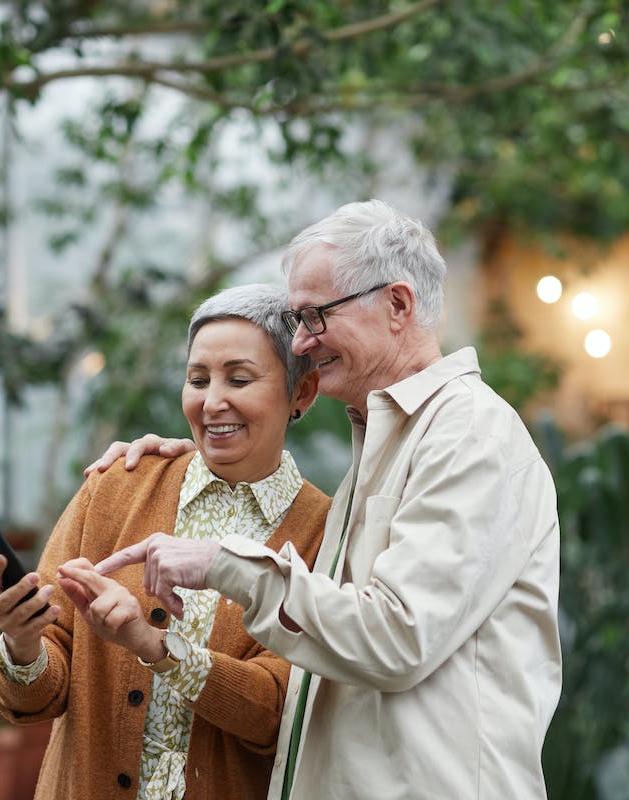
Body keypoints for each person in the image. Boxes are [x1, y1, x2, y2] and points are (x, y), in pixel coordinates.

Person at [89, 199, 562, 799]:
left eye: (314, 316)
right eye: (296, 321)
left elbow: (396, 637)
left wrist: (219, 563)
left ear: (397, 304)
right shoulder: (391, 439)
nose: (303, 344)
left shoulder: (467, 433)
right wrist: (194, 455)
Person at [0, 284, 330, 800]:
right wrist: (23, 643)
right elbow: (34, 697)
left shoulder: (325, 531)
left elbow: (280, 715)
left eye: (240, 378)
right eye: (197, 379)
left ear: (303, 392)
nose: (212, 401)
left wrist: (154, 646)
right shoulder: (117, 485)